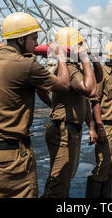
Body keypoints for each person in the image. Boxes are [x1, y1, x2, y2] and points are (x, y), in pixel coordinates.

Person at [0, 12, 70, 198]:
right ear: (22, 39)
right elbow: (63, 84)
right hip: (9, 157)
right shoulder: (26, 66)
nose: (36, 43)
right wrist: (61, 58)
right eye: (33, 38)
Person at [42, 27, 102, 198]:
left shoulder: (71, 68)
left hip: (66, 129)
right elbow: (89, 90)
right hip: (64, 132)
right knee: (60, 181)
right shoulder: (70, 68)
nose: (84, 46)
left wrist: (94, 61)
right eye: (81, 44)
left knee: (61, 178)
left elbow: (96, 80)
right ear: (74, 46)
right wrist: (85, 59)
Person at [86, 41, 112, 198]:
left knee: (111, 168)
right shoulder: (101, 73)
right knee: (102, 167)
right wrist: (99, 127)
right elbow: (94, 101)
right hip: (107, 127)